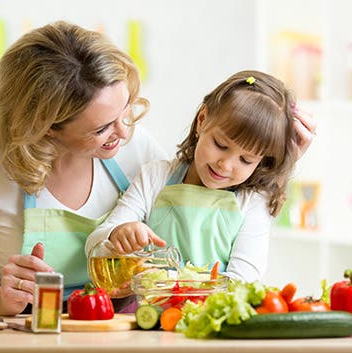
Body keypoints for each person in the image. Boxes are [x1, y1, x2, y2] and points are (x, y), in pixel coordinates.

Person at [0, 21, 167, 316]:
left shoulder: (136, 147)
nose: (124, 133)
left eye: (125, 109)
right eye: (101, 128)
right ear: (46, 127)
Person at [86, 70, 314, 283]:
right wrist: (117, 233)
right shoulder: (155, 176)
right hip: (151, 321)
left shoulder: (253, 202)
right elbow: (94, 244)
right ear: (202, 120)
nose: (225, 165)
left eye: (246, 160)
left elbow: (243, 279)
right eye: (221, 145)